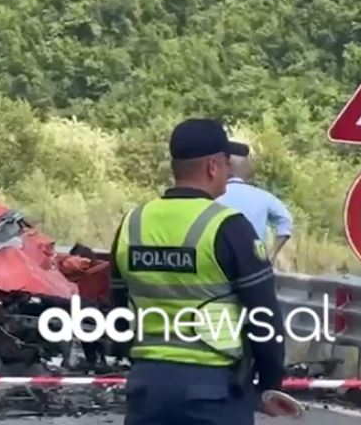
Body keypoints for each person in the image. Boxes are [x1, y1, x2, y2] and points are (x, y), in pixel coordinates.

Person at [110, 118, 299, 424]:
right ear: (213, 166)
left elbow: (117, 307)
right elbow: (264, 314)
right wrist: (269, 385)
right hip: (213, 389)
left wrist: (131, 356)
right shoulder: (228, 226)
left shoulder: (132, 223)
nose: (228, 173)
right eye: (227, 164)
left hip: (147, 386)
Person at [216, 145, 295, 262]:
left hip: (216, 262)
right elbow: (285, 221)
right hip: (253, 263)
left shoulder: (212, 195)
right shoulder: (264, 197)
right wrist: (271, 255)